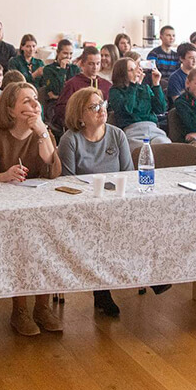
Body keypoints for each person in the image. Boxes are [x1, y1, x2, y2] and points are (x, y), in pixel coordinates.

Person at [0, 82, 63, 335]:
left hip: (38, 209)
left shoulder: (42, 133)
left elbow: (54, 171)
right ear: (11, 110)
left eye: (35, 99)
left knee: (48, 242)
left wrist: (42, 132)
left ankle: (42, 307)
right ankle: (20, 309)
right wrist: (1, 176)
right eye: (26, 101)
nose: (34, 104)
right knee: (21, 246)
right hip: (5, 215)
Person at [58, 87, 134, 317]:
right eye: (93, 107)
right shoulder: (70, 140)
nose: (101, 110)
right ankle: (102, 291)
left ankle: (150, 276)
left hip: (115, 202)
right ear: (79, 115)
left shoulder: (117, 134)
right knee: (101, 230)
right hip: (84, 206)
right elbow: (67, 182)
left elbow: (128, 174)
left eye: (102, 104)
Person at [108, 58, 169, 150]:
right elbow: (128, 109)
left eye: (135, 69)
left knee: (165, 147)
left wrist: (156, 84)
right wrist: (133, 85)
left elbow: (160, 109)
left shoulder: (144, 88)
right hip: (132, 131)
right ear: (122, 73)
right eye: (131, 70)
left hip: (152, 128)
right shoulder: (115, 91)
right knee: (141, 151)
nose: (135, 72)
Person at [53, 46, 111, 129]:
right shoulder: (73, 84)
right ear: (83, 63)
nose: (95, 67)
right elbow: (61, 110)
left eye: (98, 63)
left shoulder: (106, 85)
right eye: (91, 63)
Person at [43, 39, 81, 103]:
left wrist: (58, 96)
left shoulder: (75, 69)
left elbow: (77, 91)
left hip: (73, 103)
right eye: (65, 53)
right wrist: (62, 69)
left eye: (71, 53)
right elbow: (56, 91)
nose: (68, 57)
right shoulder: (48, 69)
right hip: (55, 104)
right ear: (58, 52)